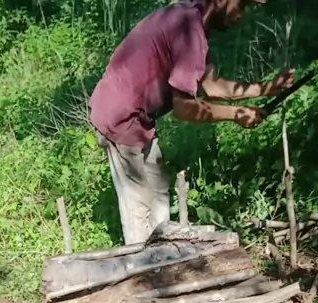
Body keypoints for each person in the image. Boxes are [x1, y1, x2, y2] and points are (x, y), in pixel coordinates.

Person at [89, 0, 294, 245]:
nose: (241, 15)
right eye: (241, 5)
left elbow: (212, 86)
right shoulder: (189, 28)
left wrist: (266, 88)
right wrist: (236, 114)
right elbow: (184, 108)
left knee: (158, 191)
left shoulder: (192, 22)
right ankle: (140, 261)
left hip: (139, 118)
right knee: (139, 205)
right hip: (119, 116)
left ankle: (161, 255)